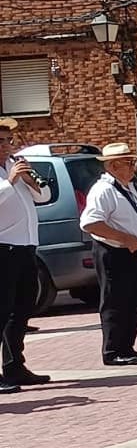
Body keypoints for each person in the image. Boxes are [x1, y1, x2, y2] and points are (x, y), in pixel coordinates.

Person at [80, 142, 137, 366]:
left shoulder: (129, 187)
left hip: (132, 251)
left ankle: (127, 346)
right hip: (113, 251)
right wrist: (125, 238)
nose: (133, 166)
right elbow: (90, 223)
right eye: (128, 162)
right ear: (113, 165)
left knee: (133, 299)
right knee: (115, 300)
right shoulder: (103, 189)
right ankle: (113, 350)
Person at [0, 118, 51, 394]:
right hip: (3, 248)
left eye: (8, 140)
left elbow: (43, 197)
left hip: (25, 247)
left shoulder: (14, 167)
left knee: (20, 311)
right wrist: (10, 181)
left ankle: (14, 365)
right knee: (1, 311)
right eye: (1, 141)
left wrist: (30, 179)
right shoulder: (9, 175)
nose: (7, 145)